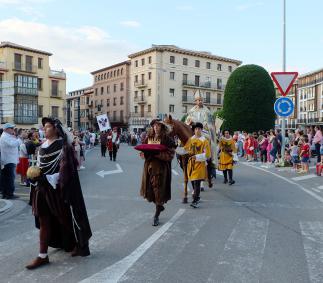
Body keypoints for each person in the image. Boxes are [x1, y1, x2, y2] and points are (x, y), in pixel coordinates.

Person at [25, 118, 92, 269]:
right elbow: (40, 166)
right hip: (41, 190)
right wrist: (34, 175)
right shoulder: (41, 146)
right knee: (44, 221)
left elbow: (66, 170)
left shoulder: (64, 147)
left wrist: (48, 177)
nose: (45, 129)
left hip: (57, 190)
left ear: (56, 129)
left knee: (64, 218)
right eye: (44, 127)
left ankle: (75, 243)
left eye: (48, 126)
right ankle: (42, 255)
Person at [140, 119, 176, 226]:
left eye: (158, 125)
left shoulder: (167, 139)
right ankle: (159, 206)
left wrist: (158, 154)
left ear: (162, 127)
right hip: (150, 168)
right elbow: (142, 152)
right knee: (152, 190)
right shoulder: (149, 138)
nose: (156, 127)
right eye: (154, 126)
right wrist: (145, 154)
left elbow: (171, 154)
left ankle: (156, 215)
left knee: (158, 190)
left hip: (161, 169)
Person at [183, 122, 211, 208]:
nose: (197, 130)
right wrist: (176, 149)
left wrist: (197, 156)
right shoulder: (191, 139)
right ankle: (197, 196)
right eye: (196, 129)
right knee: (192, 181)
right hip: (191, 164)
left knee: (197, 182)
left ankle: (195, 200)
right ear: (194, 130)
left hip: (200, 164)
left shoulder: (205, 141)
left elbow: (207, 155)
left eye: (199, 129)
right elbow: (185, 150)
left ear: (201, 130)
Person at [0, 123, 20, 199]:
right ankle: (9, 194)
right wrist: (19, 139)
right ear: (6, 129)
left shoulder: (8, 136)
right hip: (8, 160)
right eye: (11, 128)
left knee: (6, 178)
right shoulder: (5, 136)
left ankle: (6, 194)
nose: (13, 129)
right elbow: (13, 144)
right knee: (10, 178)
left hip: (9, 159)